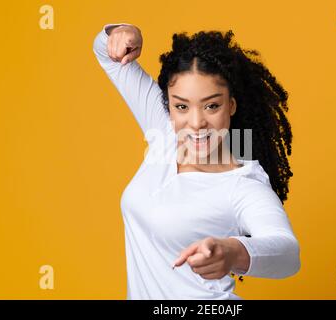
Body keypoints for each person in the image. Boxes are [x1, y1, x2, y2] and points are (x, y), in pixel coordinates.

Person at [93, 22, 301, 300]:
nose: (196, 123)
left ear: (231, 105)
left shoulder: (242, 184)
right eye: (181, 106)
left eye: (212, 105)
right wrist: (125, 31)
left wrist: (232, 251)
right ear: (169, 105)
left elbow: (288, 254)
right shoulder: (166, 135)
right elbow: (108, 54)